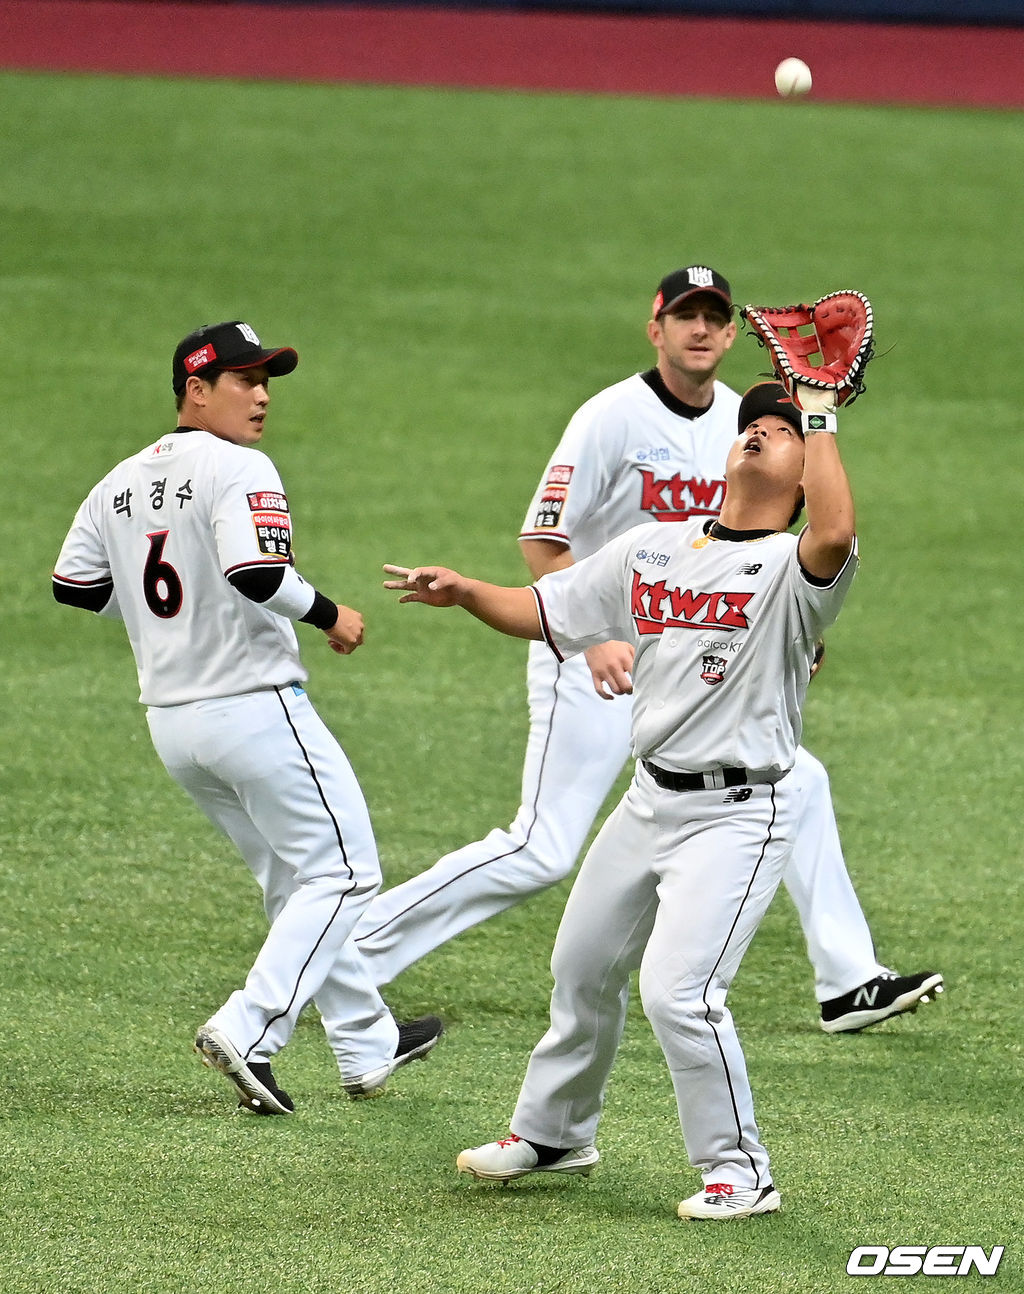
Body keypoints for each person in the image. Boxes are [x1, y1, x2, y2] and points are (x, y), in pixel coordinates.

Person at [355, 267, 942, 1033]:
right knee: (541, 848)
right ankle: (347, 957)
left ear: (733, 335)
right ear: (655, 328)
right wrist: (597, 638)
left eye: (714, 317)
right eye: (685, 315)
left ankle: (847, 978)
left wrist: (782, 639)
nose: (700, 329)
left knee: (796, 777)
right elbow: (542, 539)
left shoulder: (747, 426)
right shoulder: (611, 417)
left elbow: (758, 562)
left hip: (682, 658)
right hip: (587, 649)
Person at [386, 379, 862, 1218]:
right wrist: (465, 593)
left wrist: (819, 412)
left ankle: (741, 1173)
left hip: (740, 815)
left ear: (802, 478)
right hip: (648, 801)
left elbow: (837, 528)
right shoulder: (654, 548)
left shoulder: (798, 571)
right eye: (750, 424)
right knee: (580, 966)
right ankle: (556, 1133)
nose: (758, 433)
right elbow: (543, 609)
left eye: (779, 434)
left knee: (679, 995)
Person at [52, 320, 443, 1114]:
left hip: (173, 724)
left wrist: (167, 608)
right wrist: (331, 613)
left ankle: (365, 1040)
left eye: (266, 380)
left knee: (293, 874)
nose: (262, 396)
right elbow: (259, 571)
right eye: (243, 380)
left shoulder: (117, 483)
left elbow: (76, 588)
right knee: (346, 871)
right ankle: (250, 1025)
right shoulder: (239, 465)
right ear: (195, 390)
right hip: (253, 708)